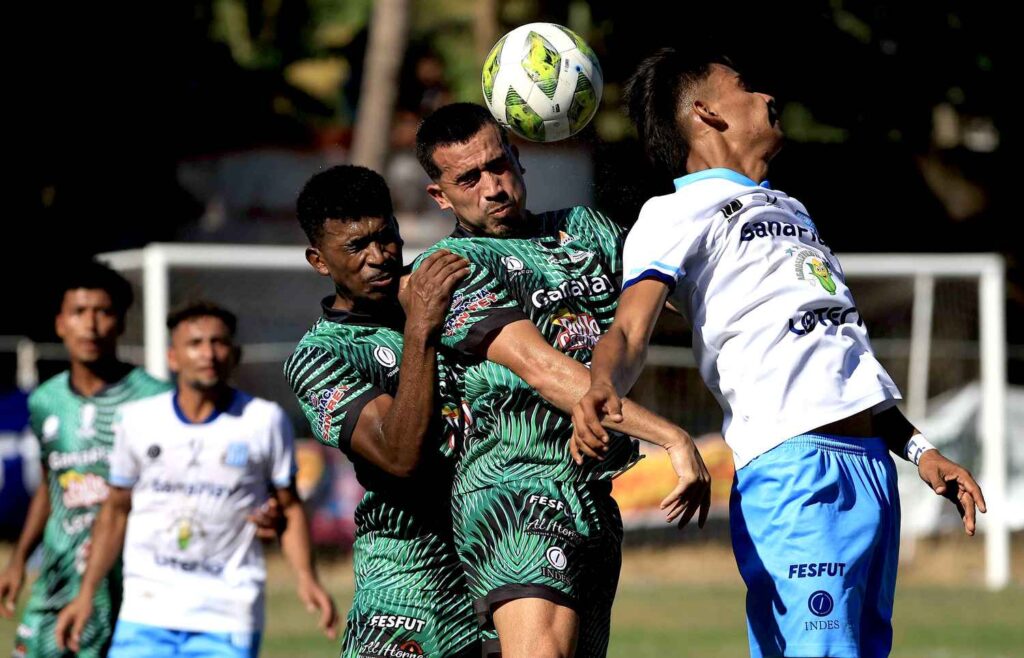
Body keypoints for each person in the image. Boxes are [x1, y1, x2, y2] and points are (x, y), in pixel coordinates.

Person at [572, 49, 988, 658]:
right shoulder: (672, 213)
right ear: (705, 112)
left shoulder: (792, 209)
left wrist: (920, 450)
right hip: (797, 470)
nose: (767, 96)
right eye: (744, 85)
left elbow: (838, 358)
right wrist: (603, 384)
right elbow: (630, 330)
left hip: (872, 469)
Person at [413, 102, 711, 658]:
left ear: (517, 158)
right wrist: (669, 436)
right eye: (469, 179)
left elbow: (678, 300)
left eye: (498, 165)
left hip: (593, 492)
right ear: (440, 196)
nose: (492, 188)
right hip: (513, 488)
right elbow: (545, 370)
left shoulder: (586, 229)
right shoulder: (450, 266)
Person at [54, 301, 336, 657]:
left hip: (228, 613)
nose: (208, 354)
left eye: (218, 343)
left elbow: (290, 508)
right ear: (173, 357)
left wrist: (307, 578)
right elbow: (115, 511)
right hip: (146, 610)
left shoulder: (264, 421)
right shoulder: (138, 421)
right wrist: (85, 595)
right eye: (195, 343)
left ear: (234, 355)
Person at [285, 165, 480, 657]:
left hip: (499, 560)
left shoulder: (449, 298)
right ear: (319, 260)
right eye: (356, 246)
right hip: (406, 584)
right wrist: (421, 330)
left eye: (386, 237)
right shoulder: (319, 356)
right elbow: (398, 454)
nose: (378, 257)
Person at [0, 261, 171, 658]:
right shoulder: (45, 400)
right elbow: (51, 484)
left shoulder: (155, 398)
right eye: (79, 312)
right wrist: (19, 560)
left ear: (121, 322)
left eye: (103, 312)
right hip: (58, 578)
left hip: (133, 583)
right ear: (60, 323)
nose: (91, 325)